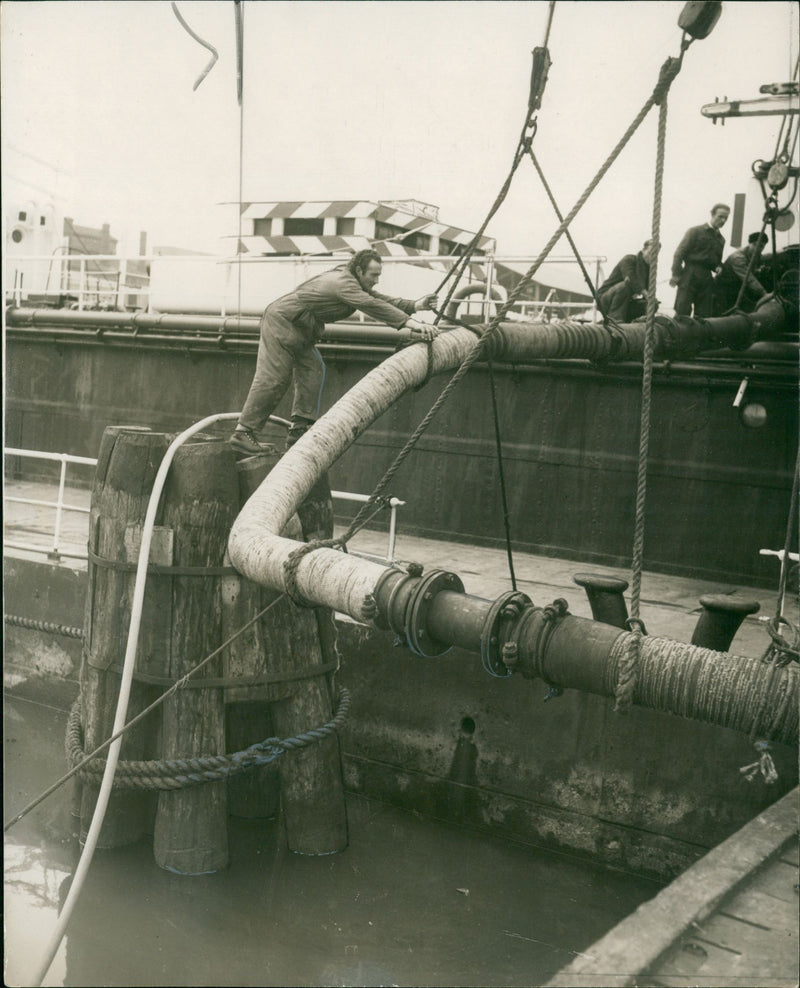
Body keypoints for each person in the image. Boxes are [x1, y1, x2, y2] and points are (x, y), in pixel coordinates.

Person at [230, 249, 439, 456]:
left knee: (313, 369)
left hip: (301, 328)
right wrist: (412, 324)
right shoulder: (343, 283)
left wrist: (415, 305)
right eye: (373, 275)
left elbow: (379, 299)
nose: (376, 280)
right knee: (275, 378)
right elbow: (371, 304)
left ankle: (299, 430)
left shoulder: (352, 281)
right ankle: (244, 433)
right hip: (283, 321)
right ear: (359, 270)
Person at [670, 203, 730, 317]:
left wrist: (718, 267)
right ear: (712, 214)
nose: (723, 220)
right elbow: (679, 254)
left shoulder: (721, 240)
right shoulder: (695, 231)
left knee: (704, 315)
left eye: (726, 218)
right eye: (720, 216)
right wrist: (676, 275)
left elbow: (716, 261)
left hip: (706, 278)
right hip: (689, 274)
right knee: (682, 311)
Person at [596, 239, 655, 322]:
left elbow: (648, 290)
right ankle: (615, 319)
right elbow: (630, 279)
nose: (653, 257)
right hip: (605, 299)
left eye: (656, 254)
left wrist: (651, 300)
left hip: (625, 302)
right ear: (643, 250)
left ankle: (633, 322)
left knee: (653, 304)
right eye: (650, 253)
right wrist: (645, 293)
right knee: (625, 285)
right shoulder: (628, 259)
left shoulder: (648, 270)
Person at [713, 231, 769, 314]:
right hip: (723, 289)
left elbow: (763, 257)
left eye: (762, 247)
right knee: (723, 315)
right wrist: (764, 294)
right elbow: (748, 278)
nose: (760, 249)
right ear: (751, 244)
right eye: (758, 246)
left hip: (735, 288)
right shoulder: (738, 258)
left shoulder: (753, 253)